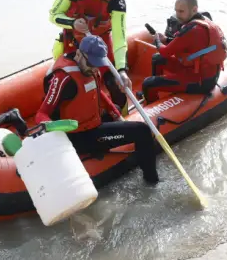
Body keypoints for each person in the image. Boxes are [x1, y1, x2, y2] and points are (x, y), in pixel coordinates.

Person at [34, 35, 159, 185]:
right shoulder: (64, 77)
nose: (94, 68)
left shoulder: (89, 66)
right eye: (91, 64)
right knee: (142, 131)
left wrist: (116, 114)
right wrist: (52, 127)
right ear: (79, 53)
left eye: (97, 64)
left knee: (117, 110)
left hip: (92, 123)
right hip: (78, 135)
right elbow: (41, 114)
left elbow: (97, 91)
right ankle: (152, 183)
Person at [48, 0, 131, 109]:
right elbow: (53, 15)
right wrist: (73, 23)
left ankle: (122, 116)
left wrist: (122, 71)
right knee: (71, 84)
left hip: (101, 45)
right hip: (74, 42)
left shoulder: (117, 1)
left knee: (114, 84)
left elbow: (120, 39)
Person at [142, 0, 227, 104]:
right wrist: (166, 39)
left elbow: (165, 52)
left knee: (148, 84)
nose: (177, 15)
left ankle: (151, 106)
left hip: (200, 81)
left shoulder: (192, 30)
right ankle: (160, 89)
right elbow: (185, 44)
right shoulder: (205, 21)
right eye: (176, 11)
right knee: (157, 59)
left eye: (181, 11)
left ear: (194, 9)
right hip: (200, 71)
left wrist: (158, 40)